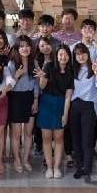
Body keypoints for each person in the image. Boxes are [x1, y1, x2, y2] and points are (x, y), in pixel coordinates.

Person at [35, 44, 74, 179]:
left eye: (66, 54)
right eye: (60, 54)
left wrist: (65, 114)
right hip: (46, 103)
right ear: (56, 56)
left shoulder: (70, 72)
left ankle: (57, 167)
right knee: (46, 138)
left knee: (58, 138)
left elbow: (68, 96)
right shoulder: (49, 67)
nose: (63, 57)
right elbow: (42, 86)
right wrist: (42, 77)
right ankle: (49, 167)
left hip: (61, 104)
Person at [67, 44, 97, 183]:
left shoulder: (95, 68)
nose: (81, 56)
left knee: (87, 139)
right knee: (76, 139)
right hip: (74, 105)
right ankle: (79, 167)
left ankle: (87, 169)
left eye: (83, 53)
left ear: (88, 54)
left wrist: (96, 72)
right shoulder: (73, 70)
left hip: (89, 106)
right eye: (77, 54)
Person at [7, 35, 40, 173]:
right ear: (17, 48)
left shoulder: (35, 63)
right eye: (21, 46)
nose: (24, 49)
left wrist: (35, 101)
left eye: (27, 46)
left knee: (28, 132)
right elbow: (8, 86)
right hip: (15, 98)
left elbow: (37, 84)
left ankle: (26, 159)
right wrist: (16, 75)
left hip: (30, 97)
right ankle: (17, 160)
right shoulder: (11, 64)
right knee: (16, 133)